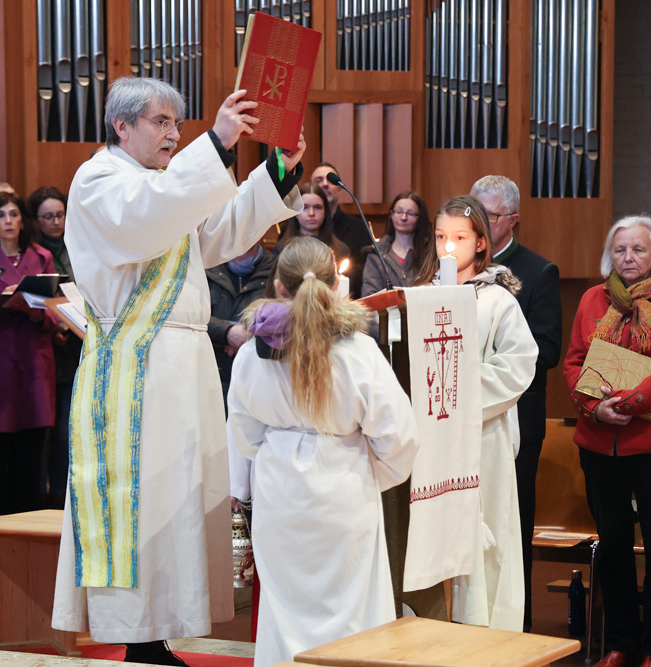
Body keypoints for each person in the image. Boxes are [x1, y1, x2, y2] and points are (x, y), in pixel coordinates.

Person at [50, 76, 305, 666]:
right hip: (135, 367)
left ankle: (159, 633)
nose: (172, 134)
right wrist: (215, 143)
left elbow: (215, 234)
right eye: (161, 122)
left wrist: (276, 173)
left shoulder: (164, 188)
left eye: (177, 124)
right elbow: (152, 214)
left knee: (181, 499)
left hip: (180, 366)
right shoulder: (99, 180)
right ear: (122, 126)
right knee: (144, 498)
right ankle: (137, 637)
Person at [228, 236, 419, 667]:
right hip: (344, 489)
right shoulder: (358, 349)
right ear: (335, 285)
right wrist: (369, 474)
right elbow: (399, 437)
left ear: (278, 285)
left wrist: (279, 452)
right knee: (352, 608)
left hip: (280, 495)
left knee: (284, 608)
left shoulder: (252, 353)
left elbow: (244, 434)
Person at [564, 215, 651, 667]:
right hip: (600, 441)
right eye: (620, 250)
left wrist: (630, 402)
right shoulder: (592, 298)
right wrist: (595, 407)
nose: (628, 258)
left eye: (638, 249)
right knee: (613, 548)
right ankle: (620, 643)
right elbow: (574, 363)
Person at [413, 195, 538, 630]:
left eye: (459, 238)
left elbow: (519, 364)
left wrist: (458, 395)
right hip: (429, 440)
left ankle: (484, 634)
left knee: (487, 545)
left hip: (482, 436)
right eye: (441, 237)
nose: (448, 246)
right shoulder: (419, 298)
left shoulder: (497, 301)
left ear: (481, 242)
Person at [470, 174, 562, 631]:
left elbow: (547, 349)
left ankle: (515, 624)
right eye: (473, 212)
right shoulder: (454, 271)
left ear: (513, 219)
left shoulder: (538, 271)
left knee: (511, 520)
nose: (478, 222)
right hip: (464, 416)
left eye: (488, 215)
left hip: (515, 416)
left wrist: (490, 355)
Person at [0, 192, 58, 515]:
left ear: (23, 220)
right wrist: (0, 303)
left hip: (34, 358)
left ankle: (27, 518)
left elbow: (56, 308)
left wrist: (34, 310)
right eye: (1, 215)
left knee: (31, 446)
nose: (8, 221)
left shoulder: (42, 256)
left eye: (14, 214)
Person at [27, 185, 79, 506]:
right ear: (36, 219)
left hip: (76, 342)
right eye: (48, 216)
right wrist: (57, 324)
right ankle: (45, 494)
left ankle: (62, 492)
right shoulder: (33, 253)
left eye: (60, 214)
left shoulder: (77, 242)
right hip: (46, 343)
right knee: (50, 428)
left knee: (66, 430)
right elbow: (36, 298)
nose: (56, 222)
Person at [207, 242, 275, 400]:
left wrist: (247, 341)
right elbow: (194, 315)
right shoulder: (209, 263)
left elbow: (283, 314)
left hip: (257, 374)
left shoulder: (275, 267)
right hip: (212, 370)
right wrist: (227, 332)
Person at [312, 163, 372, 298]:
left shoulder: (359, 228)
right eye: (319, 180)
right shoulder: (294, 228)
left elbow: (367, 269)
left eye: (330, 180)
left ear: (340, 189)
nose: (325, 184)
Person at [361, 191, 432, 297]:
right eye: (399, 212)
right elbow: (370, 295)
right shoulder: (376, 254)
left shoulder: (429, 254)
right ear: (391, 215)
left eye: (410, 213)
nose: (403, 217)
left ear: (419, 218)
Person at [274, 183, 349, 264]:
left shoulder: (341, 249)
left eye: (317, 207)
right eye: (304, 207)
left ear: (325, 212)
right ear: (295, 212)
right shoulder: (281, 248)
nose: (311, 213)